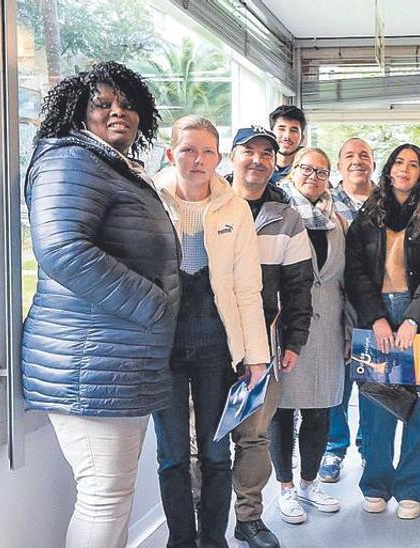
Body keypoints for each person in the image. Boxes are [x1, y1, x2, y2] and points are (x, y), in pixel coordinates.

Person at [21, 61, 180, 548]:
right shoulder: (71, 160)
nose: (119, 112)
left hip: (113, 358)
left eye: (128, 104)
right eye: (104, 104)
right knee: (104, 497)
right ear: (77, 111)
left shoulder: (109, 165)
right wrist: (153, 304)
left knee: (112, 495)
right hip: (89, 361)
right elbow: (63, 250)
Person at [148, 115, 270, 548]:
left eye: (206, 152)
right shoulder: (149, 200)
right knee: (173, 456)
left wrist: (257, 356)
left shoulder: (233, 207)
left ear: (218, 158)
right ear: (170, 153)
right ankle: (181, 540)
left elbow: (246, 288)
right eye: (187, 149)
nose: (197, 159)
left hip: (217, 348)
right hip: (163, 349)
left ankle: (214, 540)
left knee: (217, 454)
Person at [345, 144, 420, 520]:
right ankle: (375, 483)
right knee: (377, 403)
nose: (405, 169)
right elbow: (355, 269)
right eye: (399, 163)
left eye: (413, 164)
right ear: (388, 169)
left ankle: (411, 488)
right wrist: (375, 317)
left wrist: (412, 319)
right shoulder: (368, 214)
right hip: (376, 316)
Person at [226, 126, 315, 548]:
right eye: (249, 151)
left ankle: (249, 518)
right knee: (197, 442)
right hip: (209, 344)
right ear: (232, 156)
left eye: (267, 153)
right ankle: (199, 525)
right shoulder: (209, 205)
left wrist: (295, 341)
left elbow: (299, 285)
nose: (257, 160)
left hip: (265, 347)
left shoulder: (287, 217)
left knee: (254, 437)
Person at [269, 147, 348, 525]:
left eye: (322, 171)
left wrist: (349, 328)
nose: (313, 176)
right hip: (289, 323)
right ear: (292, 172)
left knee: (320, 410)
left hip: (330, 324)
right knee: (282, 411)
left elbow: (347, 278)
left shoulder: (338, 220)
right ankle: (284, 488)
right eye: (306, 168)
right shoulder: (277, 211)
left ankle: (308, 482)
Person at [322, 137, 378, 482]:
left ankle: (371, 449)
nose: (357, 161)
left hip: (376, 307)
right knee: (336, 384)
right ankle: (334, 447)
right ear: (339, 166)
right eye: (349, 156)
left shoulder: (386, 201)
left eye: (364, 155)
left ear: (373, 163)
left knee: (374, 383)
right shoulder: (325, 203)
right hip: (335, 306)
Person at [269, 105, 306, 184]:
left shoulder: (310, 170)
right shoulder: (260, 166)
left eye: (293, 130)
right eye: (281, 129)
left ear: (302, 138)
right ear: (270, 134)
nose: (287, 136)